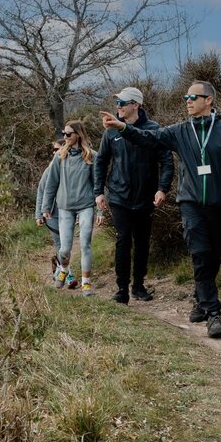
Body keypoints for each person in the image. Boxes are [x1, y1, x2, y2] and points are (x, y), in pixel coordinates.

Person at [99, 80, 221, 338]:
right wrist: (122, 127)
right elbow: (148, 137)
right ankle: (213, 314)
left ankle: (200, 299)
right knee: (199, 253)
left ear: (208, 100)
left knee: (213, 256)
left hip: (218, 205)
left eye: (193, 97)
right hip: (190, 203)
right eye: (185, 97)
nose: (187, 101)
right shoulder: (178, 131)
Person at [93, 87, 173, 304]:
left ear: (136, 105)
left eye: (123, 102)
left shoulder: (154, 129)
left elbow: (166, 161)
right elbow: (101, 161)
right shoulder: (110, 131)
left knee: (142, 243)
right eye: (117, 102)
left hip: (146, 197)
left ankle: (138, 285)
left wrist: (162, 188)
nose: (118, 106)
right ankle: (121, 289)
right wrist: (99, 192)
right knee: (123, 239)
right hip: (119, 196)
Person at [42, 120, 100, 296]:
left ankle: (86, 283)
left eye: (68, 134)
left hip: (86, 205)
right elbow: (51, 183)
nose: (65, 137)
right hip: (65, 207)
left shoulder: (91, 156)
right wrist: (46, 207)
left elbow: (98, 185)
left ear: (78, 135)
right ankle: (64, 268)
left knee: (85, 244)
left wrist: (101, 211)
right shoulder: (59, 156)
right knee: (65, 248)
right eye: (64, 134)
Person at [36, 140, 78, 289]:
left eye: (58, 149)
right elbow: (41, 192)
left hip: (68, 213)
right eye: (53, 150)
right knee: (61, 245)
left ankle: (57, 268)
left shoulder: (72, 168)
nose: (55, 152)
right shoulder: (49, 171)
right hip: (51, 214)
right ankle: (69, 276)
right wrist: (39, 214)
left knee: (66, 245)